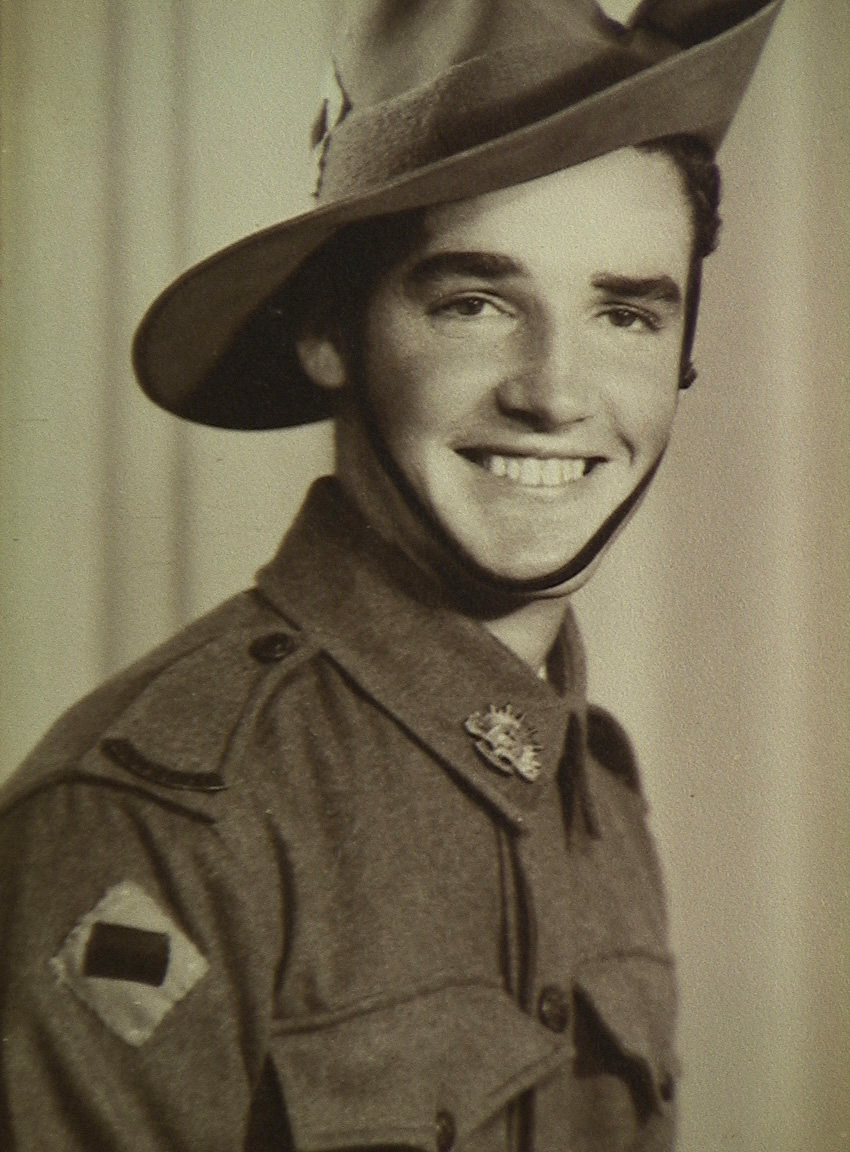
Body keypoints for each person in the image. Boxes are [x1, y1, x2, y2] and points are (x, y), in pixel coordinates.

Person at [0, 1, 783, 1149]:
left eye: (624, 314)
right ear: (330, 329)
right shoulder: (156, 825)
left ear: (681, 359)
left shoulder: (598, 799)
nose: (555, 392)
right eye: (475, 304)